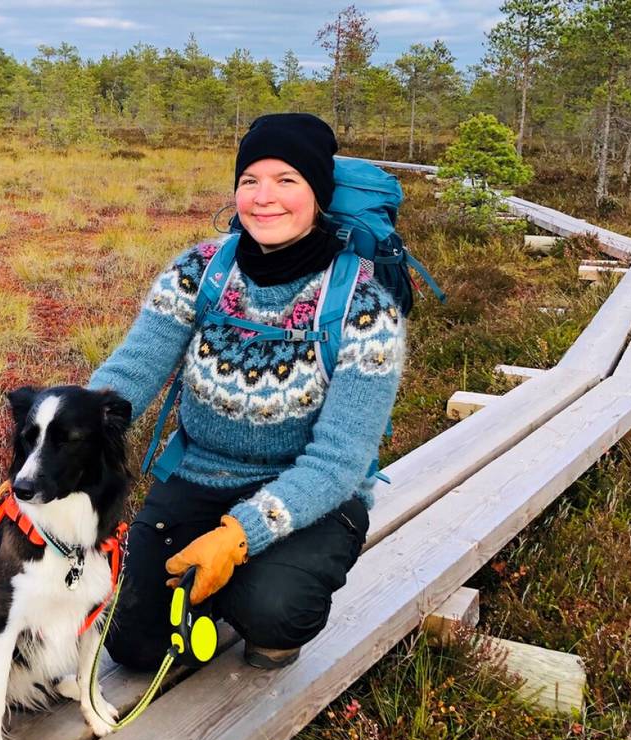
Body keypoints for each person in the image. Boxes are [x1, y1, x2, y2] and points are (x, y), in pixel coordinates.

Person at [88, 113, 407, 670]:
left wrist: (239, 538)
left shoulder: (364, 307)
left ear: (318, 194)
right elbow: (133, 370)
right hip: (197, 477)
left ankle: (260, 598)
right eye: (250, 180)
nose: (265, 198)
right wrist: (58, 443)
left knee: (275, 608)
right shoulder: (201, 270)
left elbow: (338, 461)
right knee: (132, 644)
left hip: (311, 494)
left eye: (287, 180)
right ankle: (213, 603)